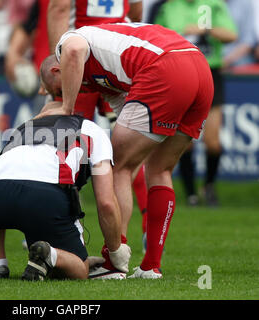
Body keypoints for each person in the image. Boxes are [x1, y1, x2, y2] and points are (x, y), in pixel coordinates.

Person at [40, 22, 214, 278]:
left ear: (58, 68)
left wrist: (66, 108)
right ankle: (151, 266)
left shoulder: (68, 43)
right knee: (159, 168)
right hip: (199, 68)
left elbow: (74, 50)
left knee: (119, 166)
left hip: (164, 67)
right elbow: (129, 111)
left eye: (58, 89)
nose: (67, 93)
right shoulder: (106, 80)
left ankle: (113, 261)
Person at [0, 101, 130, 280]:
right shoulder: (92, 130)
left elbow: (4, 172)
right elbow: (106, 202)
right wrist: (116, 251)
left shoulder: (24, 128)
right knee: (80, 269)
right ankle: (51, 255)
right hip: (45, 196)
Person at [47, 0, 149, 255]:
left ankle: (60, 225)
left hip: (80, 58)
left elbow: (59, 9)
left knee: (64, 148)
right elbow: (137, 12)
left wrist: (56, 67)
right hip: (120, 56)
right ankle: (146, 225)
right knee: (134, 147)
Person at [152, 0, 237, 207]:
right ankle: (190, 194)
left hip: (211, 72)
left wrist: (205, 30)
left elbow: (232, 35)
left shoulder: (214, 4)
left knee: (213, 141)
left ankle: (208, 186)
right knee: (183, 141)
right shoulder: (168, 7)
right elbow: (155, 39)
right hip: (180, 72)